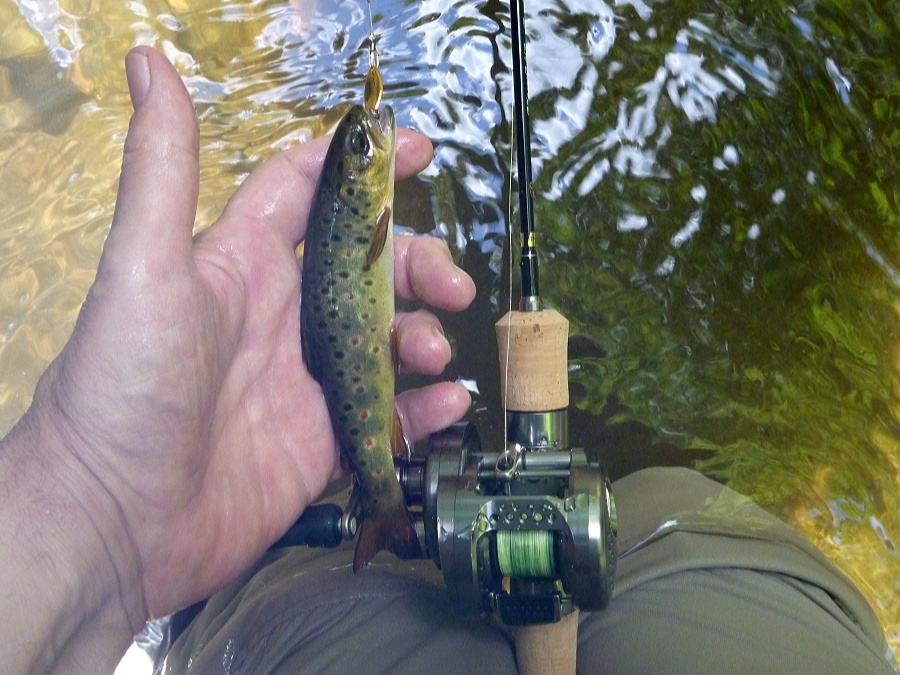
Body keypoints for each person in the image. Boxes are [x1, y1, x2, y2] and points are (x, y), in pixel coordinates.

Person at [0, 47, 896, 675]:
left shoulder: (361, 209)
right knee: (679, 516)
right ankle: (629, 496)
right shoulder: (363, 207)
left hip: (310, 633)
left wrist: (90, 508)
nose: (371, 142)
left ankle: (352, 532)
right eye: (363, 149)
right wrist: (94, 505)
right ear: (365, 185)